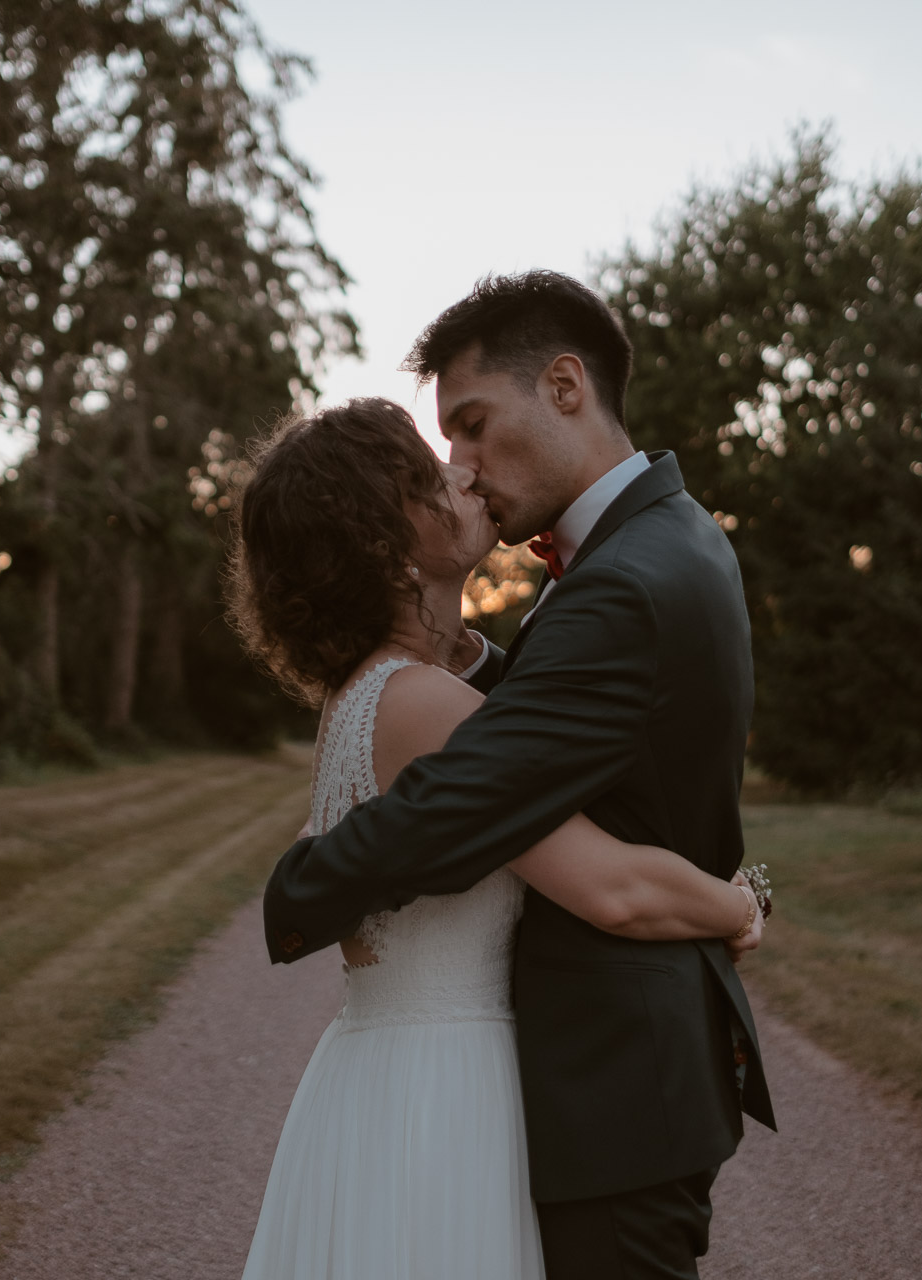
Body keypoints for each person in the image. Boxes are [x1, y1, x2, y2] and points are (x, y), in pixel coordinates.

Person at [257, 271, 775, 1280]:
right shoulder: (652, 549)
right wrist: (737, 902)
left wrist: (301, 886)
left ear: (566, 385)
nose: (463, 465)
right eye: (437, 454)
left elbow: (475, 793)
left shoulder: (619, 578)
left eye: (473, 425)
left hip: (590, 1085)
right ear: (384, 543)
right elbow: (522, 778)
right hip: (486, 1086)